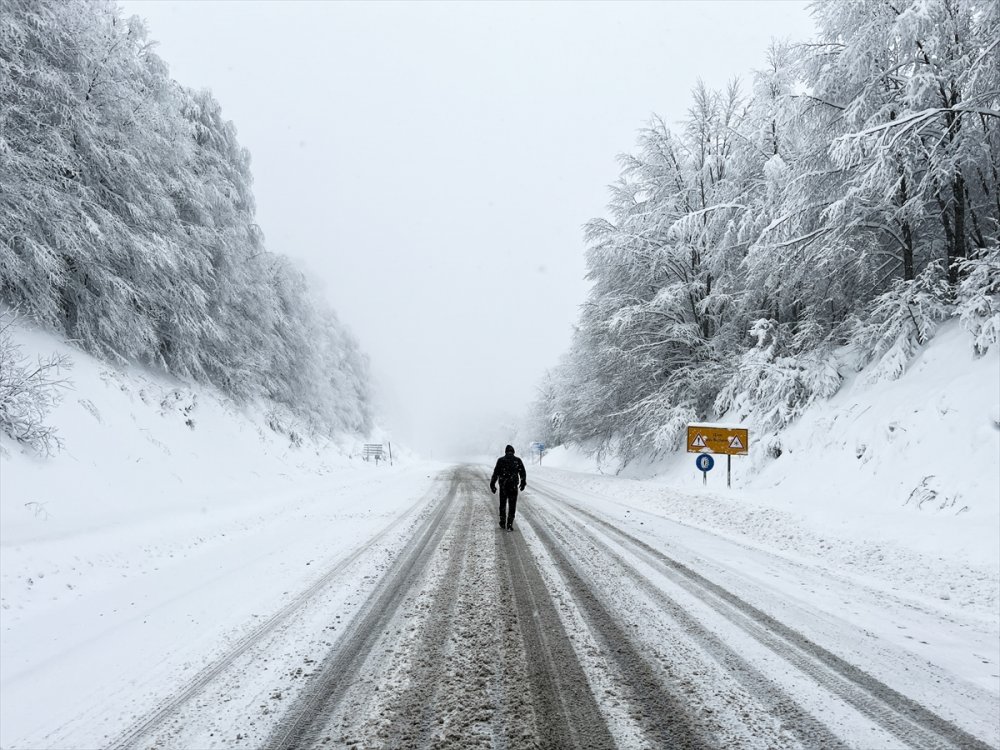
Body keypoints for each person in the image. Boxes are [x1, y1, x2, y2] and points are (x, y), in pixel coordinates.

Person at [490, 444, 526, 531]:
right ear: (513, 452)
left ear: (505, 452)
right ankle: (509, 524)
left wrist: (492, 484)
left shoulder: (501, 460)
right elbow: (522, 473)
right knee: (512, 505)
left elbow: (496, 473)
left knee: (502, 505)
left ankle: (502, 522)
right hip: (513, 487)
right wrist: (522, 483)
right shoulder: (517, 460)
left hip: (503, 486)